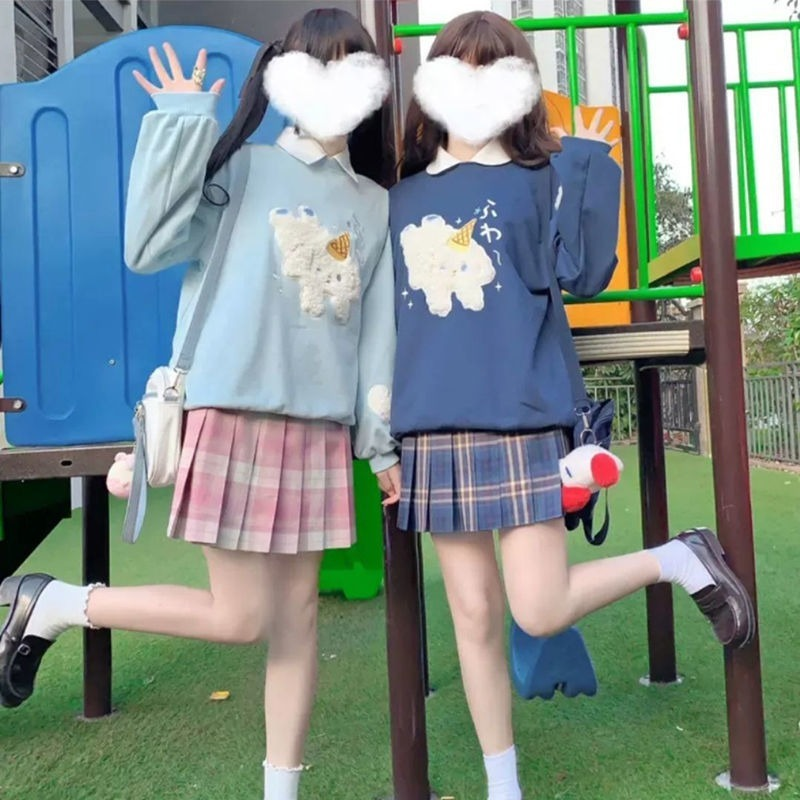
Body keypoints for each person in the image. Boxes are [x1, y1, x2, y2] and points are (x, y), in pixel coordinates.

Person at [0, 9, 400, 800]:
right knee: (240, 618)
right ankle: (61, 603)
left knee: (299, 623)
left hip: (319, 433)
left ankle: (281, 790)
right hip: (232, 418)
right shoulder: (243, 168)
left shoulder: (374, 204)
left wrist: (379, 443)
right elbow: (147, 245)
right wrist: (181, 122)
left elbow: (375, 337)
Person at [389, 11, 755, 800]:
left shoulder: (539, 178)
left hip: (522, 415)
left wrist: (586, 159)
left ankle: (677, 558)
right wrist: (384, 437)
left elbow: (586, 274)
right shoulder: (401, 196)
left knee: (540, 606)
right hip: (431, 425)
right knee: (473, 616)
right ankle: (504, 787)